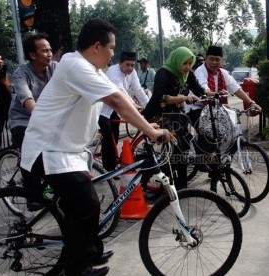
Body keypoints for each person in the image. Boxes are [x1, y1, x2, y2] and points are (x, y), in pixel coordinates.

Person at [20, 19, 174, 276]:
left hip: (67, 152)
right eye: (111, 48)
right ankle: (77, 269)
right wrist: (151, 132)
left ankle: (88, 249)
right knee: (87, 204)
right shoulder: (75, 65)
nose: (113, 53)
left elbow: (120, 97)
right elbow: (115, 99)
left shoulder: (90, 69)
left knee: (83, 205)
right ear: (96, 46)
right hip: (49, 152)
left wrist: (147, 121)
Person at [143, 46, 205, 190]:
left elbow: (199, 90)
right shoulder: (163, 73)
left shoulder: (188, 75)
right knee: (177, 146)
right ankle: (165, 181)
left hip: (175, 116)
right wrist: (184, 97)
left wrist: (214, 93)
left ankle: (179, 184)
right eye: (184, 63)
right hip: (157, 114)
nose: (187, 67)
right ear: (177, 61)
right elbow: (161, 99)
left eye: (190, 63)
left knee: (183, 146)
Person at [99, 51, 149, 171]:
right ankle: (108, 170)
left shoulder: (133, 73)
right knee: (110, 139)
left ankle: (113, 163)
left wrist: (148, 105)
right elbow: (120, 91)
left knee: (115, 137)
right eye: (127, 65)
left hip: (116, 108)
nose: (130, 68)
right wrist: (134, 105)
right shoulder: (113, 71)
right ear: (120, 63)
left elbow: (138, 90)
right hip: (104, 110)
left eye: (132, 65)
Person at [190, 45, 262, 129]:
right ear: (206, 59)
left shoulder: (223, 73)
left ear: (222, 61)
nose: (214, 62)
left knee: (232, 128)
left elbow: (236, 89)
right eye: (211, 59)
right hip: (197, 107)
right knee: (211, 133)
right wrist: (217, 94)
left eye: (217, 59)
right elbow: (204, 90)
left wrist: (251, 103)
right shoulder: (200, 71)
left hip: (215, 108)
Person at [8, 33, 57, 149]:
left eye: (50, 50)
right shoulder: (21, 74)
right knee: (37, 152)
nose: (49, 54)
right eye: (45, 51)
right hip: (23, 121)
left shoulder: (55, 67)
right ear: (32, 55)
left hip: (46, 120)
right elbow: (28, 102)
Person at [0, 66, 12, 154]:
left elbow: (9, 95)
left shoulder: (3, 85)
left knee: (11, 128)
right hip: (1, 111)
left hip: (6, 110)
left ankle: (13, 144)